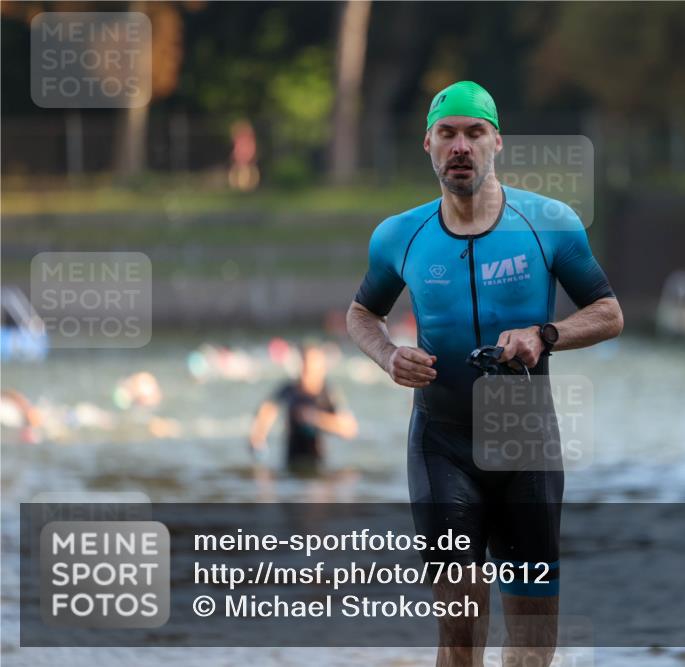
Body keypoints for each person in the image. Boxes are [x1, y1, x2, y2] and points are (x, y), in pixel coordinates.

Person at [346, 81, 623, 666]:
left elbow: (608, 313)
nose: (461, 146)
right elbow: (362, 313)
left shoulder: (549, 222)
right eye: (448, 133)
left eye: (474, 133)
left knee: (530, 640)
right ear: (428, 143)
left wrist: (543, 335)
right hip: (442, 446)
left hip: (527, 448)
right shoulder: (400, 235)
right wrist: (389, 355)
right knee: (461, 630)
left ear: (497, 141)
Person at [249, 342, 358, 474]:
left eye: (312, 367)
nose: (306, 372)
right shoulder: (289, 389)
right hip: (291, 461)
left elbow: (349, 429)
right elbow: (267, 409)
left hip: (319, 465)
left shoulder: (328, 394)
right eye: (304, 365)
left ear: (321, 368)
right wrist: (258, 436)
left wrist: (315, 418)